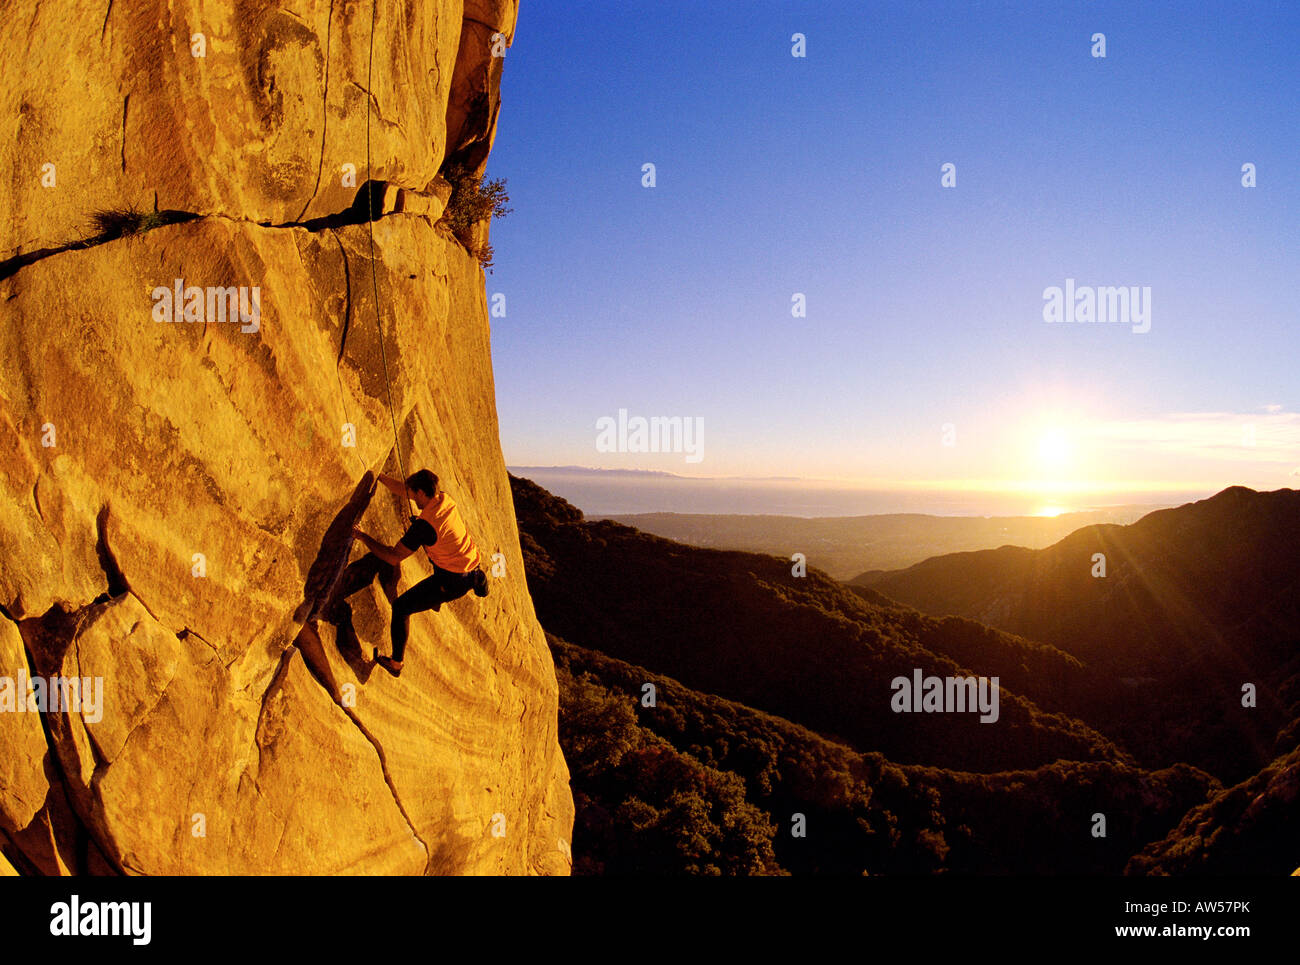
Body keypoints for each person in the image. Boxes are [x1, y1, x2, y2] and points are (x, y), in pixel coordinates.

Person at [329, 469, 488, 678]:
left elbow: (393, 557)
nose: (411, 498)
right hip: (468, 563)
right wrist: (381, 477)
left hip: (452, 580)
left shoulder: (424, 527)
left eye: (414, 494)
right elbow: (405, 491)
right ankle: (456, 591)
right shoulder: (444, 499)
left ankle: (396, 664)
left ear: (421, 492)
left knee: (402, 607)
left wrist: (362, 536)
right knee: (438, 557)